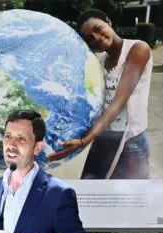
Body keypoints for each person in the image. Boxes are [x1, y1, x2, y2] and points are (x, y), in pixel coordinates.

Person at [49, 9, 153, 180]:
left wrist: (84, 141)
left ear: (108, 21)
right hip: (104, 140)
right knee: (94, 195)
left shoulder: (138, 49)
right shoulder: (101, 61)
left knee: (129, 203)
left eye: (98, 29)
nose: (96, 38)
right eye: (89, 38)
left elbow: (118, 103)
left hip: (130, 143)